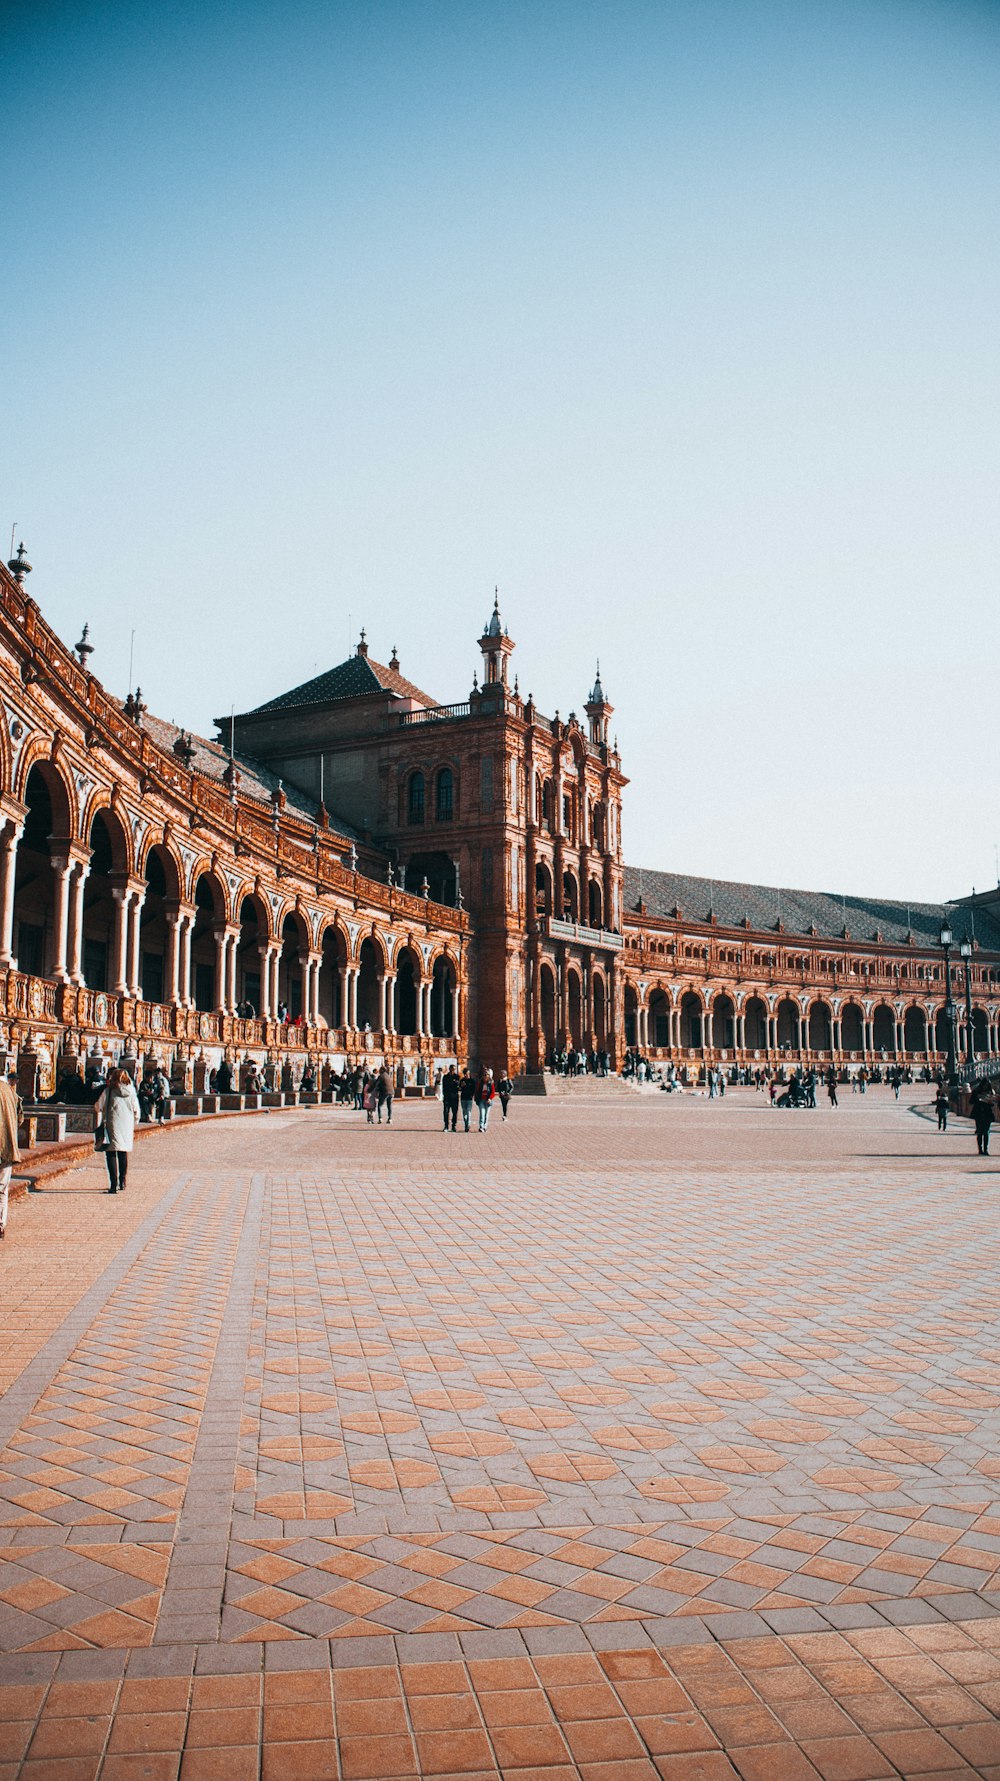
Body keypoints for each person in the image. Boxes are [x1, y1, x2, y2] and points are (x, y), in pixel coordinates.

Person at [94, 1067, 141, 1194]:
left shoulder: (108, 1091)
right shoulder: (131, 1091)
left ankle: (113, 1184)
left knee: (111, 1153)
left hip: (112, 1124)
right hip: (126, 1125)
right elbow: (136, 1110)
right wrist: (134, 1121)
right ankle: (123, 1181)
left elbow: (98, 1106)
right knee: (122, 1153)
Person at [0, 1073, 21, 1239]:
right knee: (2, 1188)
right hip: (7, 1147)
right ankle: (0, 1224)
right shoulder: (10, 1092)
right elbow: (20, 1118)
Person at [972, 1085, 995, 1156]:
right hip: (979, 1114)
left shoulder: (991, 1092)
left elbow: (994, 1103)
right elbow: (971, 1101)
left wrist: (990, 1101)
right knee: (980, 1132)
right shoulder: (976, 1093)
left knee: (986, 1132)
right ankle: (980, 1149)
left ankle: (985, 1149)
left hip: (986, 1114)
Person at [475, 1066, 495, 1132]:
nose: (486, 1076)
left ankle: (485, 1126)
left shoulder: (491, 1083)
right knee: (482, 1114)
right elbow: (477, 1091)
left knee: (486, 1114)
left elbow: (493, 1092)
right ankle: (481, 1126)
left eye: (487, 1075)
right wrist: (476, 1098)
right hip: (481, 1100)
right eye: (484, 1075)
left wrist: (490, 1098)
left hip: (488, 1101)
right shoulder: (480, 1082)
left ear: (489, 1076)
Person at [441, 1065, 459, 1132]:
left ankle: (453, 1126)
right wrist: (453, 1084)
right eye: (451, 1070)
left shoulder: (457, 1077)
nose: (452, 1071)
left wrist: (453, 1084)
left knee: (454, 1112)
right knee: (446, 1112)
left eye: (454, 1070)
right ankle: (446, 1126)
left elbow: (457, 1086)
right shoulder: (445, 1077)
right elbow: (445, 1086)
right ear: (449, 1069)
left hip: (455, 1097)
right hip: (447, 1097)